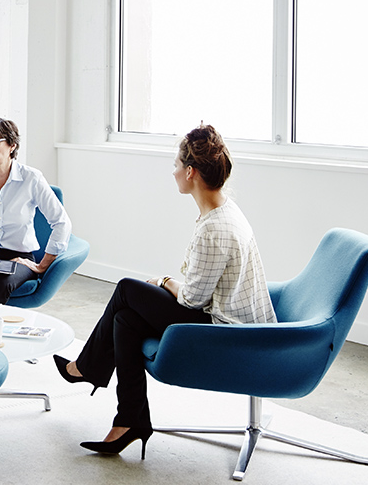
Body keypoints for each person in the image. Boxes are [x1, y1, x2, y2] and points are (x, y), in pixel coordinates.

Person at [53, 124, 277, 459]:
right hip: (223, 317)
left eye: (176, 165)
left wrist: (164, 281)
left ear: (191, 172)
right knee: (126, 320)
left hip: (227, 333)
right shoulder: (224, 210)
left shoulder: (215, 227)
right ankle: (130, 420)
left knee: (128, 289)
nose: (173, 172)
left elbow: (192, 300)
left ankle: (88, 368)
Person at [0, 117, 71, 304]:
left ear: (12, 145)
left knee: (0, 282)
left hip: (19, 257)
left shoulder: (32, 178)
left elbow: (62, 222)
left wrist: (42, 265)